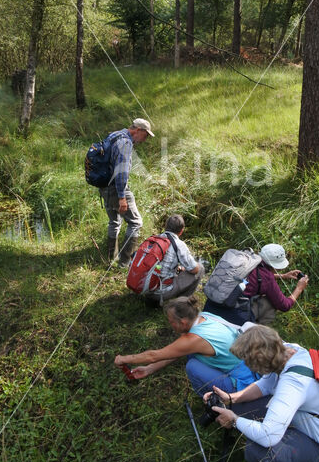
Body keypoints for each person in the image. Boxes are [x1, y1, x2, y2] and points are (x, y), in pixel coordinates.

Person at [204, 325, 319, 462]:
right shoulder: (287, 351)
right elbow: (265, 385)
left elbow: (268, 437)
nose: (245, 365)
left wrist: (234, 420)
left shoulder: (294, 383)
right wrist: (231, 399)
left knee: (257, 451)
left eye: (247, 361)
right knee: (238, 408)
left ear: (260, 364)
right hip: (303, 426)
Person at [114, 296, 259, 396]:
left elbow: (154, 355)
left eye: (171, 321)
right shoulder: (205, 316)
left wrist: (124, 359)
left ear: (183, 322)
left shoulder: (194, 339)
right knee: (192, 355)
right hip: (253, 364)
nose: (170, 325)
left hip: (244, 383)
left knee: (192, 366)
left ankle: (213, 400)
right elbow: (178, 350)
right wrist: (149, 369)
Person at [203, 243, 308, 326]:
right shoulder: (267, 278)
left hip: (213, 302)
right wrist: (299, 288)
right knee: (268, 303)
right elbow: (284, 305)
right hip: (230, 312)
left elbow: (248, 278)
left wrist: (283, 276)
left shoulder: (250, 260)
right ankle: (255, 328)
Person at [99, 118, 154, 264]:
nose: (145, 139)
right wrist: (122, 197)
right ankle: (124, 262)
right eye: (146, 135)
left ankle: (111, 258)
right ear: (138, 130)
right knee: (136, 222)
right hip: (116, 188)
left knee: (114, 221)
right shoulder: (125, 143)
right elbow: (122, 172)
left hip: (104, 186)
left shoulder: (114, 135)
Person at [142, 214, 204, 305]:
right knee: (200, 269)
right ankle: (183, 302)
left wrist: (180, 268)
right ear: (181, 231)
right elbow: (194, 269)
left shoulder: (153, 239)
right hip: (160, 292)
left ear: (165, 226)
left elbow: (159, 264)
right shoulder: (179, 245)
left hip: (143, 286)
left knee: (175, 268)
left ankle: (150, 297)